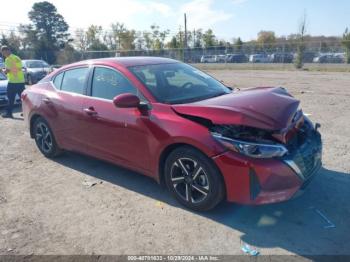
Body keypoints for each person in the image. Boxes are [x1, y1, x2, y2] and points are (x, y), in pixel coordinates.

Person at [1, 46, 25, 118]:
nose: (3, 54)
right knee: (23, 98)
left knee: (10, 98)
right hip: (21, 81)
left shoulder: (8, 59)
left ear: (7, 51)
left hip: (13, 82)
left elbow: (7, 71)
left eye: (3, 52)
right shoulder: (16, 57)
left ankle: (9, 113)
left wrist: (2, 70)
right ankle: (25, 112)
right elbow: (17, 68)